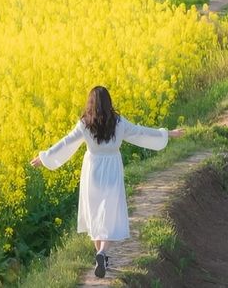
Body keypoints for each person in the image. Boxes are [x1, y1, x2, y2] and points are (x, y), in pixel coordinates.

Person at [30, 86, 183, 279]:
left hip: (92, 170)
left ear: (90, 103)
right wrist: (168, 133)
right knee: (109, 214)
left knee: (94, 214)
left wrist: (44, 158)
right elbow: (141, 132)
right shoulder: (118, 122)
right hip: (112, 169)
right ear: (109, 102)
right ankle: (102, 253)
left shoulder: (84, 123)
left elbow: (66, 142)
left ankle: (99, 255)